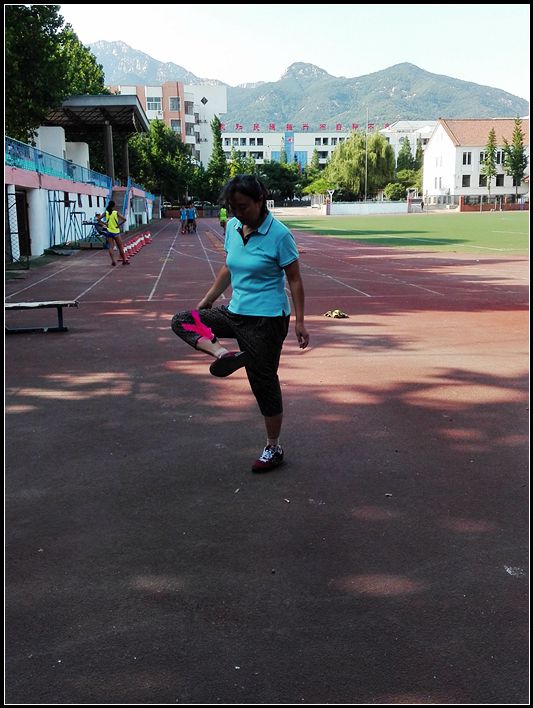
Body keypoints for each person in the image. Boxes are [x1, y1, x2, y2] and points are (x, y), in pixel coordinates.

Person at [171, 174, 309, 472]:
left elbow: (295, 280)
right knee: (184, 320)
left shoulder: (280, 235)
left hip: (266, 321)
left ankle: (273, 447)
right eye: (232, 207)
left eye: (243, 207)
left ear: (260, 201)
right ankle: (223, 355)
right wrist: (207, 300)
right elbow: (228, 267)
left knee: (263, 382)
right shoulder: (233, 227)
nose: (237, 213)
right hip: (235, 313)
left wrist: (300, 321)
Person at [97, 201, 129, 266]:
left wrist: (105, 224)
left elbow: (98, 219)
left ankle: (113, 261)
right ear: (114, 206)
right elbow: (124, 219)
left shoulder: (106, 213)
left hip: (109, 232)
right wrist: (119, 225)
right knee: (120, 247)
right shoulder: (116, 212)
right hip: (116, 232)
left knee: (110, 247)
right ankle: (124, 261)